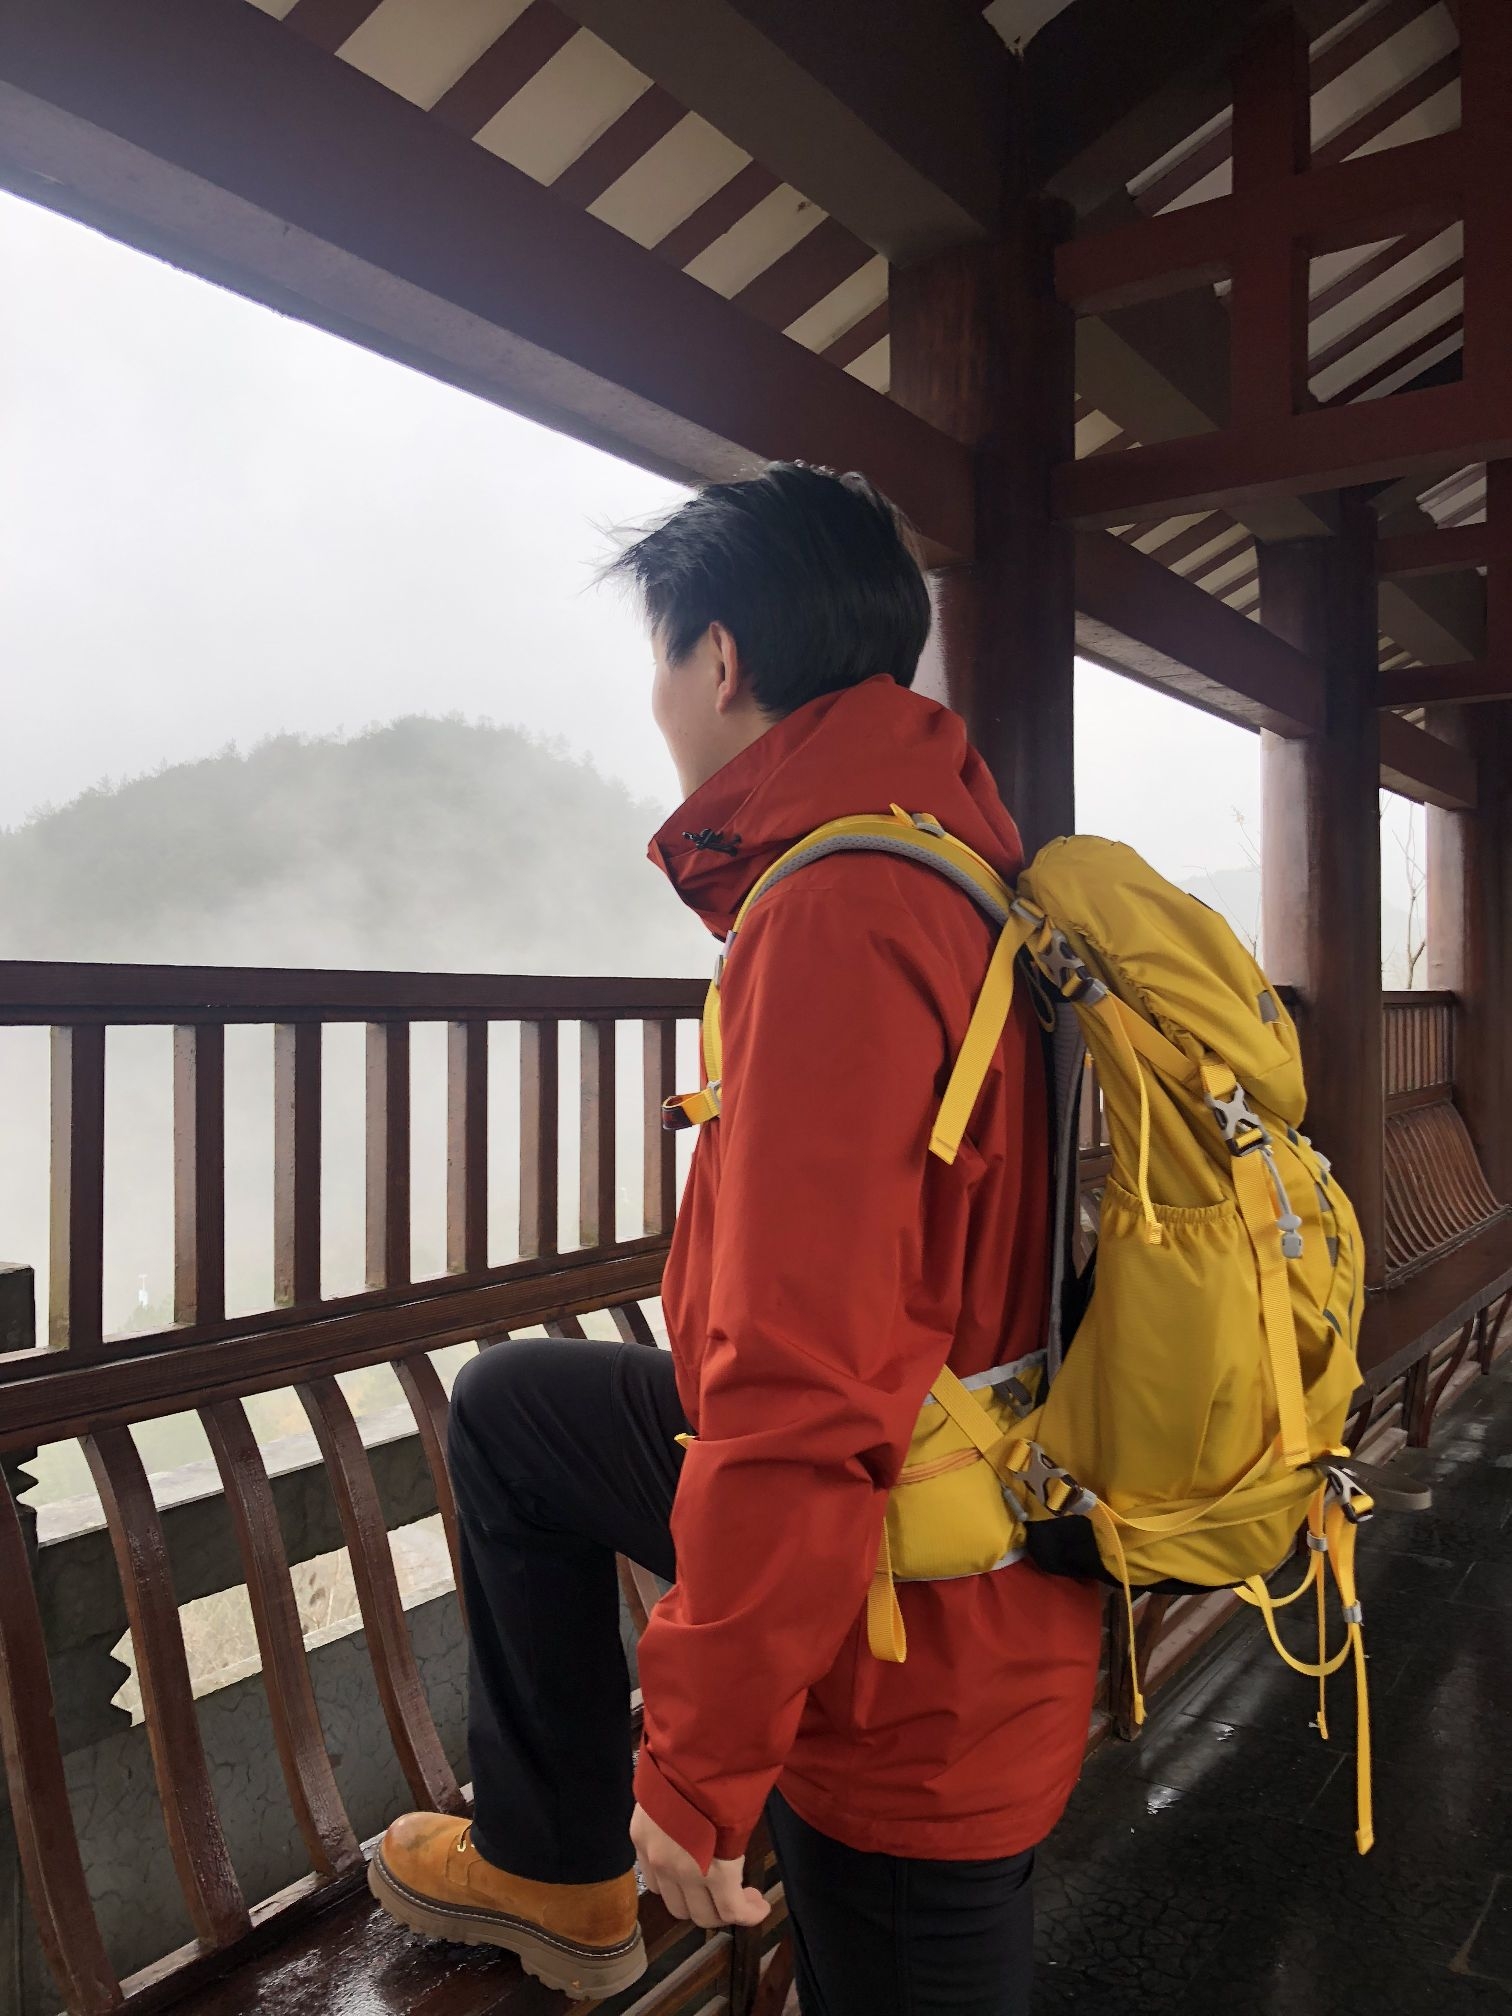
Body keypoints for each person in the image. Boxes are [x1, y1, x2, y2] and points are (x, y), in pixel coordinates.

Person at [369, 464, 1103, 2013]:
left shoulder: (838, 914)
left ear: (718, 660)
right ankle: (552, 1867)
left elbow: (806, 1377)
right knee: (514, 1411)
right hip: (988, 1518)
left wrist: (697, 1764)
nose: (654, 704)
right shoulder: (958, 868)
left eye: (657, 661)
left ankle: (584, 1864)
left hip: (920, 1642)